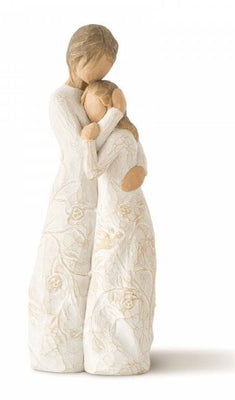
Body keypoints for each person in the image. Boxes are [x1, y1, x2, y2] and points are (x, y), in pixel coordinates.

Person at [28, 25, 146, 372]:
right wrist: (114, 115)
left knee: (100, 270)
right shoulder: (60, 100)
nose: (100, 76)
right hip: (75, 194)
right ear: (76, 58)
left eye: (106, 69)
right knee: (66, 267)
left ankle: (100, 347)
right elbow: (81, 153)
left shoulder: (94, 94)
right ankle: (58, 350)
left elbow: (113, 145)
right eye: (96, 67)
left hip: (104, 198)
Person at [79, 80, 156, 375]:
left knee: (113, 273)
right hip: (124, 211)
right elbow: (142, 162)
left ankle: (113, 351)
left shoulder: (119, 138)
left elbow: (92, 170)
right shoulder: (127, 134)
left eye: (89, 104)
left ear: (106, 105)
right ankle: (121, 348)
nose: (86, 110)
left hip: (118, 216)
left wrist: (88, 141)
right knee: (117, 271)